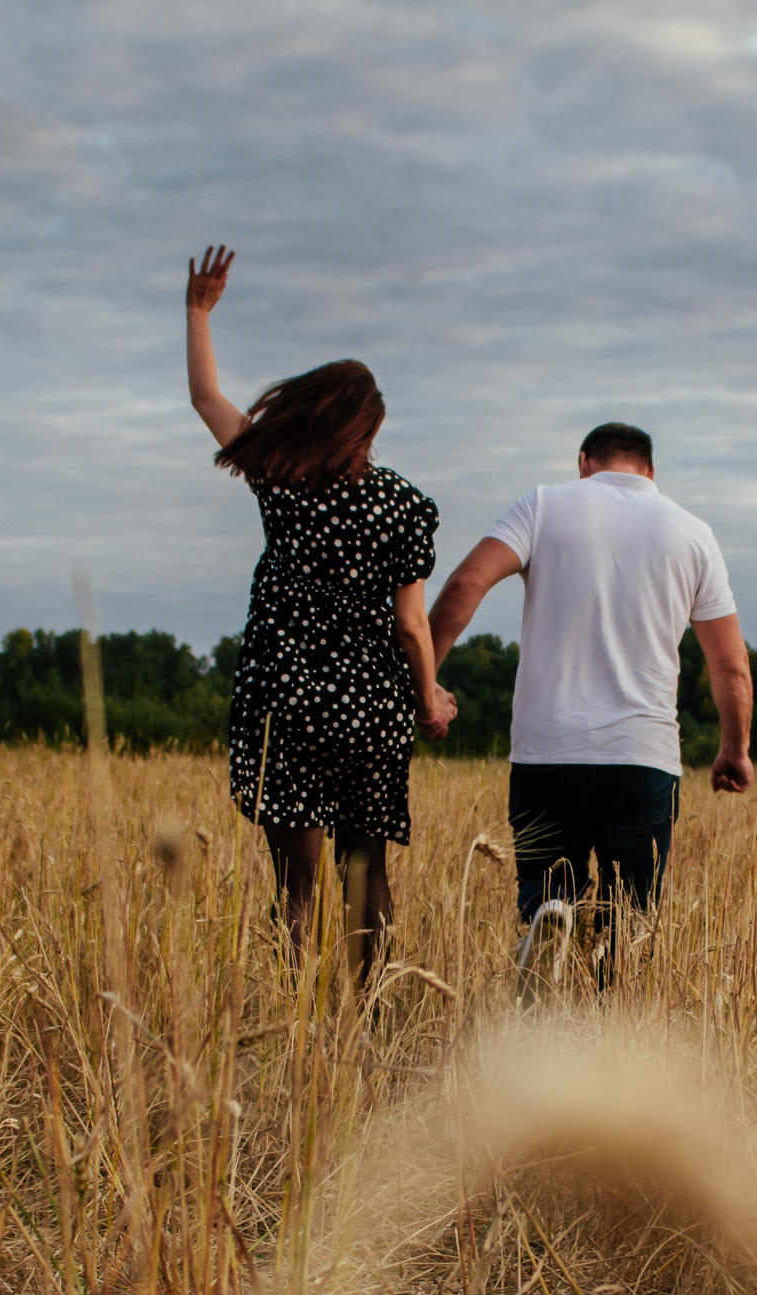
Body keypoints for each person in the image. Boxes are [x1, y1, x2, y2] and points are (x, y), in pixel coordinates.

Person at [183, 244, 456, 982]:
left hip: (286, 700)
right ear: (368, 428)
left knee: (296, 888)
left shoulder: (283, 474)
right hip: (370, 706)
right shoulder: (405, 503)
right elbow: (410, 625)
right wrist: (428, 695)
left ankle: (297, 1027)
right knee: (366, 875)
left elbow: (207, 398)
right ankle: (363, 1023)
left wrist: (198, 313)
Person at [426, 421, 752, 944]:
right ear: (651, 471)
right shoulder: (693, 533)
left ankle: (547, 932)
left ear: (584, 463)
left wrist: (425, 683)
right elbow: (731, 663)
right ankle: (608, 998)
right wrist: (734, 748)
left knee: (548, 897)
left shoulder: (542, 505)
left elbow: (466, 582)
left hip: (546, 755)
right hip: (642, 757)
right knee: (627, 929)